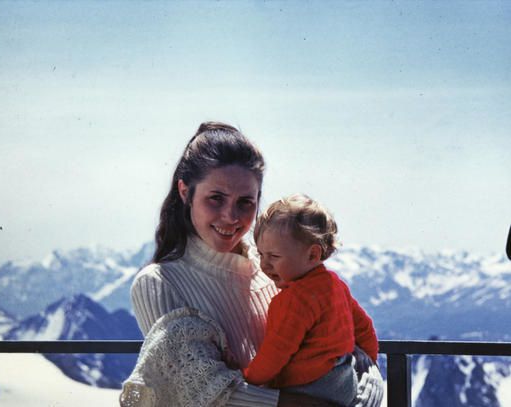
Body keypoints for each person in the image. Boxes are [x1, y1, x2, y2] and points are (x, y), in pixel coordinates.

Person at [120, 122, 383, 407]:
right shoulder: (159, 284)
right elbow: (209, 395)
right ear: (185, 192)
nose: (231, 216)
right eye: (216, 198)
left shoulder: (278, 268)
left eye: (245, 202)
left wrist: (371, 385)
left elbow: (345, 345)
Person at [243, 194, 379, 406]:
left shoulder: (294, 299)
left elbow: (275, 353)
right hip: (344, 381)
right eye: (260, 254)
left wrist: (249, 379)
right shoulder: (335, 284)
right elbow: (364, 328)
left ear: (313, 255)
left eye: (274, 257)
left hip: (310, 389)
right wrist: (369, 362)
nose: (264, 265)